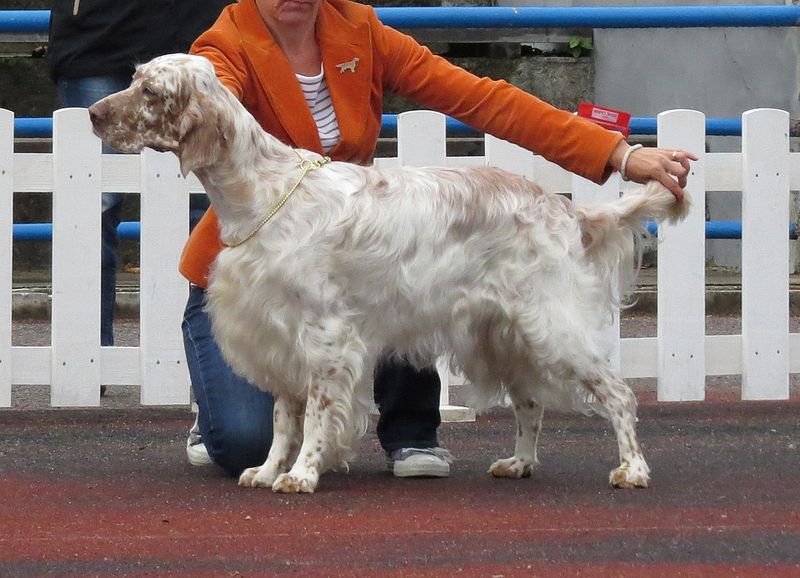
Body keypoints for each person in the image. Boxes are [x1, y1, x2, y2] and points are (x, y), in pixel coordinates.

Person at [180, 0, 696, 480]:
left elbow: (481, 99)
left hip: (354, 251)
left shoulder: (358, 29)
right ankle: (218, 415)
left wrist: (618, 154)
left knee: (411, 263)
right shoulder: (225, 45)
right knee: (244, 444)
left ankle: (410, 432)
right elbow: (207, 102)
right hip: (259, 267)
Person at [47, 0, 232, 364]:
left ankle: (219, 365)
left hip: (199, 33)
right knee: (90, 206)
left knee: (207, 206)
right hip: (95, 40)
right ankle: (85, 360)